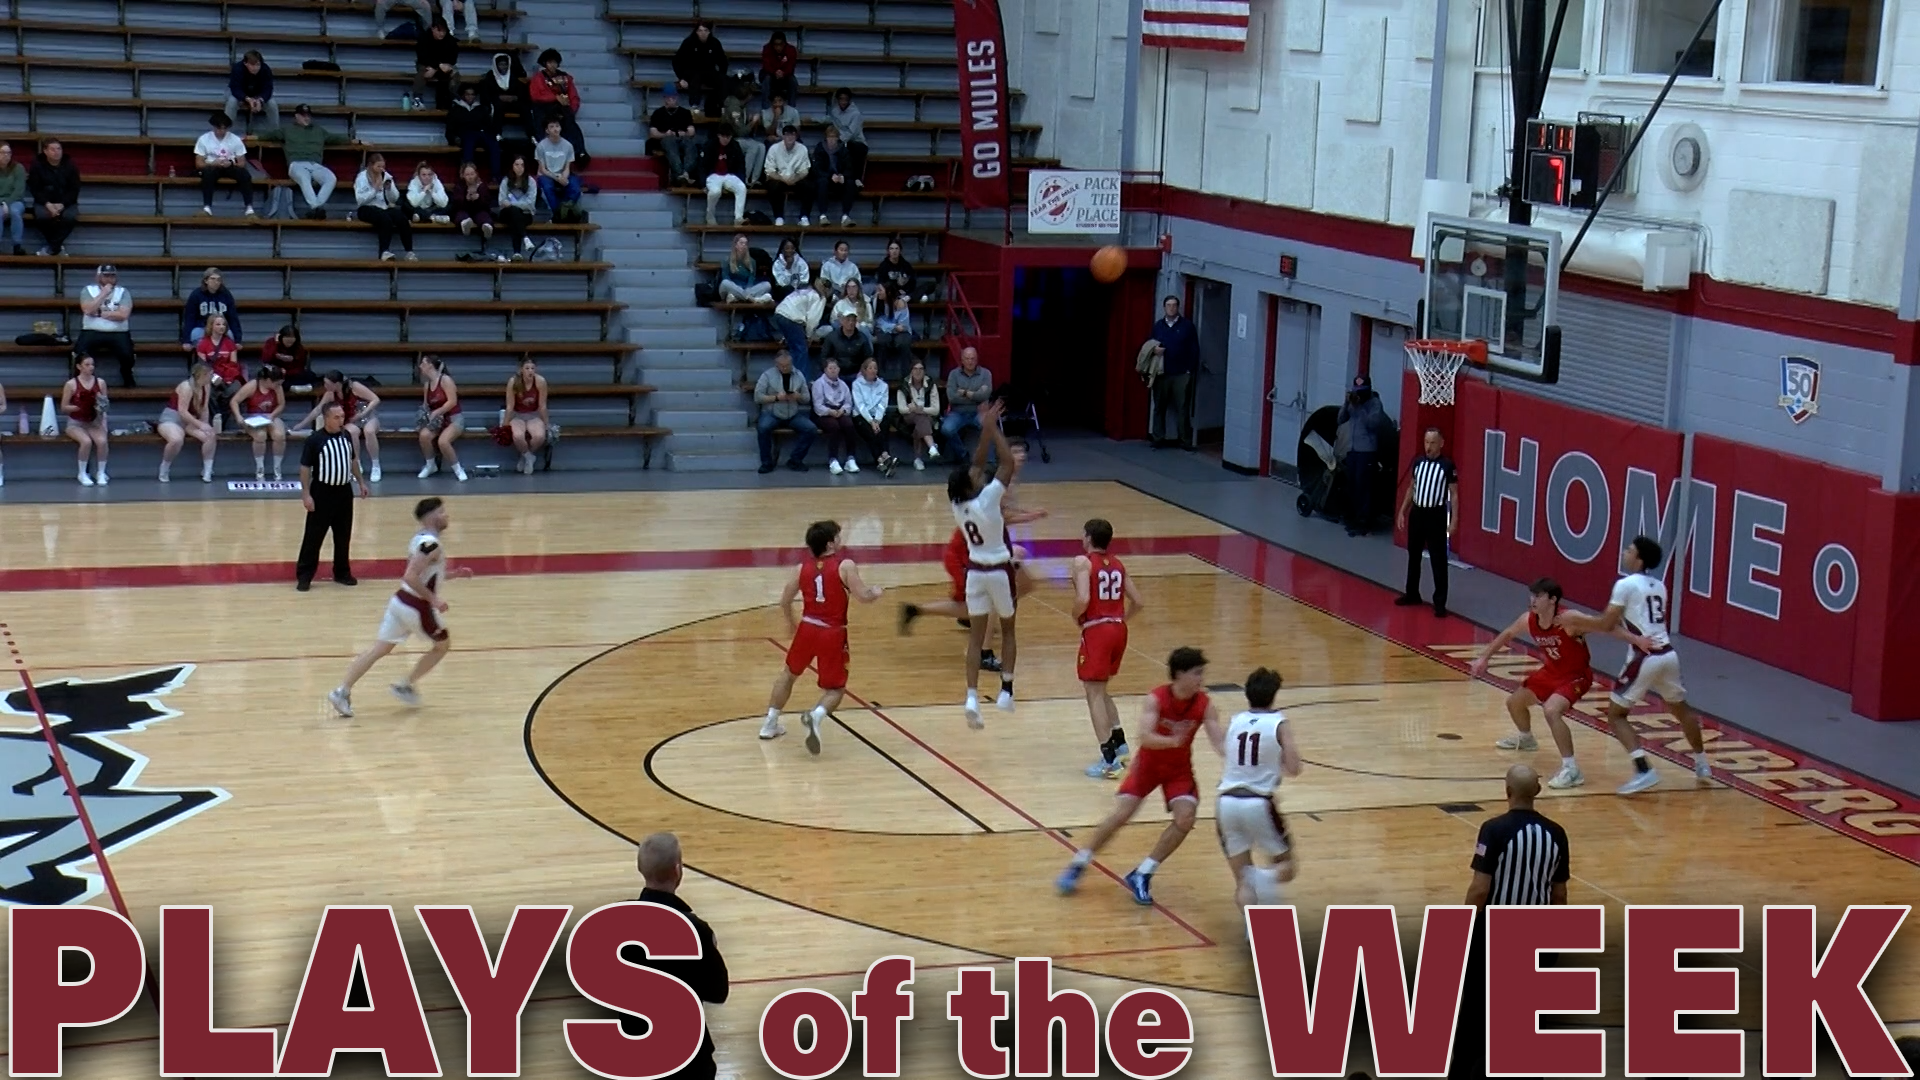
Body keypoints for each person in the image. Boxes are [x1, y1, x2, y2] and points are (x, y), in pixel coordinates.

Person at [1056, 647, 1223, 905]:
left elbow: (1218, 741)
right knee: (1121, 814)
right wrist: (1172, 740)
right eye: (1196, 673)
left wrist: (1237, 756)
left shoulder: (1204, 705)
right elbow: (1144, 737)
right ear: (1179, 675)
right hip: (1148, 766)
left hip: (1178, 771)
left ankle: (1143, 872)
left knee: (1186, 818)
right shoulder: (1156, 698)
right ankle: (1080, 861)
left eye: (1202, 673)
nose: (1201, 679)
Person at [1558, 536, 1711, 795]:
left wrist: (1577, 621)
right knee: (1681, 710)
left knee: (1616, 715)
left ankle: (1643, 769)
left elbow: (1607, 624)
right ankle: (1702, 763)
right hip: (1668, 655)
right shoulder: (1659, 585)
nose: (1624, 552)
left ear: (1638, 559)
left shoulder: (1625, 584)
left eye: (1629, 550)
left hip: (1645, 657)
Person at [327, 497, 470, 716]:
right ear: (431, 517)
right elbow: (411, 576)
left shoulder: (420, 539)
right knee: (442, 645)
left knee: (379, 649)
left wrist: (454, 574)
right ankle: (406, 685)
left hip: (399, 602)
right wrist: (434, 600)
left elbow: (424, 575)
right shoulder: (431, 545)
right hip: (416, 607)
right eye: (442, 512)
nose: (446, 515)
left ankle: (341, 691)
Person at [761, 520, 883, 753]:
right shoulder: (845, 566)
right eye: (838, 536)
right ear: (830, 543)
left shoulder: (801, 568)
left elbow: (785, 600)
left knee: (788, 675)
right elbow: (863, 596)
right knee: (835, 689)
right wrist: (875, 592)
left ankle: (769, 724)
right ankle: (815, 717)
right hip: (832, 632)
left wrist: (791, 624)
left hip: (807, 628)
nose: (841, 539)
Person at [619, 833, 729, 1080]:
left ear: (640, 868)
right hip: (687, 1063)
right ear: (678, 869)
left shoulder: (614, 925)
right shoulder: (695, 930)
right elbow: (718, 992)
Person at [1472, 578, 1592, 790]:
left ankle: (1571, 769)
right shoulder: (1529, 619)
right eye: (1532, 595)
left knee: (1551, 711)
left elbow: (1603, 626)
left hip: (1576, 675)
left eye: (1538, 596)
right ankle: (1527, 739)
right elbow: (1508, 633)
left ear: (1552, 600)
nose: (1533, 600)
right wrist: (1484, 657)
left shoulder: (1569, 620)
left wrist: (1633, 638)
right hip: (1551, 672)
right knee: (1514, 703)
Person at [949, 400, 1020, 727]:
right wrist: (992, 429)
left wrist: (983, 432)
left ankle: (972, 697)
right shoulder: (989, 499)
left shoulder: (957, 503)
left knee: (975, 639)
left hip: (974, 574)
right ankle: (1006, 688)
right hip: (999, 572)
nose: (978, 474)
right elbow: (1006, 463)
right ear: (973, 485)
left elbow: (976, 465)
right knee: (1007, 630)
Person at [1215, 667, 1299, 907]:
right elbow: (1294, 767)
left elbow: (1226, 752)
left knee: (1243, 881)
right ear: (1273, 695)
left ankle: (1253, 931)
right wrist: (1276, 761)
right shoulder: (1279, 723)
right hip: (1258, 802)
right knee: (1286, 865)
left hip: (1226, 802)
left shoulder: (1235, 721)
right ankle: (1262, 876)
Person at [1072, 518, 1144, 778]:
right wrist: (1121, 620)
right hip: (1118, 629)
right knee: (1101, 690)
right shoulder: (1118, 564)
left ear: (1089, 538)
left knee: (1093, 693)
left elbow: (1083, 599)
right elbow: (1138, 601)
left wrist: (1075, 615)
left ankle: (1109, 759)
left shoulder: (1083, 562)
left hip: (1098, 629)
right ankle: (1120, 744)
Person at [296, 401, 370, 592]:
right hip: (322, 492)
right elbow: (305, 468)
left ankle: (342, 572)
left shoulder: (346, 436)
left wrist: (361, 482)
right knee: (313, 537)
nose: (341, 421)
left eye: (342, 417)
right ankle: (304, 576)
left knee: (343, 536)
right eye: (336, 417)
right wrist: (306, 494)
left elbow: (353, 460)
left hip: (344, 492)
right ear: (326, 418)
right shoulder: (314, 440)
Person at [1395, 427, 1457, 617]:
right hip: (1418, 513)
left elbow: (1454, 495)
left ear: (1441, 444)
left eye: (1432, 442)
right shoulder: (1418, 462)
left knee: (1438, 560)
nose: (1428, 446)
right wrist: (1402, 511)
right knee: (1413, 555)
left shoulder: (1447, 465)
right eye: (1426, 442)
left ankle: (1440, 602)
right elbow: (1411, 488)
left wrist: (1454, 520)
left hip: (1436, 516)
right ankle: (1412, 593)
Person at [258, 104, 347, 219]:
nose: (306, 118)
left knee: (331, 178)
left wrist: (358, 141)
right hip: (296, 164)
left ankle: (315, 207)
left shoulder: (319, 130)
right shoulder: (287, 130)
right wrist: (249, 138)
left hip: (315, 164)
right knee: (304, 178)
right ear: (296, 116)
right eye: (303, 115)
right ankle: (316, 208)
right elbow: (268, 136)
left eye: (308, 115)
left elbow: (338, 139)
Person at [296, 370, 383, 483]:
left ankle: (376, 465)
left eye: (327, 383)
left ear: (336, 383)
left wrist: (362, 414)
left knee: (369, 431)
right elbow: (318, 410)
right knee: (351, 432)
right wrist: (301, 424)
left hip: (367, 415)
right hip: (351, 419)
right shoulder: (330, 393)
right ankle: (357, 464)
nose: (325, 386)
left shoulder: (354, 386)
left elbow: (375, 399)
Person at [1337, 375, 1391, 535]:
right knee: (1352, 485)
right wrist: (1347, 403)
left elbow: (1373, 424)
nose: (1358, 394)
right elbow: (1340, 419)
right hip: (1353, 450)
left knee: (1363, 487)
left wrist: (1360, 407)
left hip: (1367, 452)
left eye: (1361, 392)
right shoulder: (1353, 403)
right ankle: (1352, 518)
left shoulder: (1374, 404)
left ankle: (1364, 521)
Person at [753, 348, 815, 473]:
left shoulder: (799, 375)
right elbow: (758, 397)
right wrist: (775, 397)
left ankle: (795, 460)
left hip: (792, 413)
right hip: (772, 412)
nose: (785, 368)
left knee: (811, 429)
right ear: (776, 365)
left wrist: (799, 397)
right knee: (763, 428)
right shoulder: (767, 375)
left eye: (788, 365)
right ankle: (766, 462)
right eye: (782, 366)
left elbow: (807, 398)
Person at [1148, 296, 1197, 449]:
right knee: (1159, 407)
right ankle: (1157, 438)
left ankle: (1185, 440)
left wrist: (1190, 369)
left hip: (1181, 373)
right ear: (1164, 308)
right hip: (1162, 373)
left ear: (1178, 308)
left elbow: (1194, 348)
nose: (1171, 308)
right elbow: (1150, 345)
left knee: (1182, 407)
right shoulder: (1158, 326)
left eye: (1174, 305)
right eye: (1168, 305)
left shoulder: (1187, 326)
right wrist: (1154, 350)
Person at [76, 264, 136, 388]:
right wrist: (103, 294)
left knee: (127, 353)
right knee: (80, 352)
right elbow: (87, 310)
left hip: (118, 331)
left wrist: (99, 313)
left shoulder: (123, 292)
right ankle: (79, 380)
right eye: (106, 276)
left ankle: (126, 373)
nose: (109, 279)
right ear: (98, 277)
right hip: (91, 330)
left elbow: (123, 315)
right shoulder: (88, 290)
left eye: (112, 276)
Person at [157, 362, 217, 484]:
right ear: (203, 375)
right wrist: (200, 425)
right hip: (173, 418)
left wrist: (205, 424)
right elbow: (182, 412)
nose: (213, 376)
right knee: (176, 440)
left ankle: (207, 470)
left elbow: (204, 408)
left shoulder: (206, 386)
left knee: (210, 435)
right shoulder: (187, 387)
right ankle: (164, 468)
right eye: (210, 374)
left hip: (191, 419)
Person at [231, 365, 287, 481]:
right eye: (276, 383)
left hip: (270, 416)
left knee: (279, 435)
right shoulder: (252, 385)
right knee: (260, 436)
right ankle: (260, 468)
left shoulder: (277, 387)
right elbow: (234, 401)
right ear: (267, 380)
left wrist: (272, 415)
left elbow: (281, 404)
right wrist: (238, 416)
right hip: (253, 418)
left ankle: (277, 468)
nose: (278, 386)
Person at [354, 153, 415, 261]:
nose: (381, 169)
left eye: (383, 166)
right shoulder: (362, 178)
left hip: (383, 207)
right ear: (370, 165)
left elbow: (394, 198)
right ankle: (384, 252)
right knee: (384, 219)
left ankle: (409, 252)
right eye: (378, 166)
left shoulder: (386, 176)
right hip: (366, 208)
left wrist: (389, 188)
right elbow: (360, 200)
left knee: (401, 217)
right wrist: (375, 189)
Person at [416, 354, 466, 481]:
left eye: (423, 363)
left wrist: (437, 411)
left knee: (443, 441)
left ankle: (457, 468)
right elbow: (426, 404)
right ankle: (430, 465)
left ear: (430, 365)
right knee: (424, 435)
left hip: (453, 418)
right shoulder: (427, 385)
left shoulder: (445, 380)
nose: (420, 366)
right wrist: (422, 417)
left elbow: (452, 401)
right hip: (438, 421)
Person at [61, 354, 109, 486]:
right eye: (87, 365)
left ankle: (101, 472)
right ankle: (82, 473)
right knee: (86, 441)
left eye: (92, 364)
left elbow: (105, 405)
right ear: (79, 366)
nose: (91, 367)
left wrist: (102, 415)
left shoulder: (100, 383)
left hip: (94, 421)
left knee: (102, 441)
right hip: (76, 422)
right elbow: (64, 407)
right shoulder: (71, 384)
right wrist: (79, 407)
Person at [194, 112, 254, 217]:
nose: (222, 131)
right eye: (219, 128)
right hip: (212, 166)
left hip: (230, 166)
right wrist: (213, 163)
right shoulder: (204, 139)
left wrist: (230, 163)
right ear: (213, 127)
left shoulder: (235, 139)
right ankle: (207, 208)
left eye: (224, 129)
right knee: (208, 174)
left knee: (245, 175)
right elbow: (199, 163)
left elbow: (242, 163)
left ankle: (249, 208)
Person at [529, 49, 587, 156]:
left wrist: (571, 109)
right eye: (550, 62)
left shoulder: (566, 78)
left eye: (554, 62)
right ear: (545, 64)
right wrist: (555, 98)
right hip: (543, 107)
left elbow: (573, 96)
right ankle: (543, 150)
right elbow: (536, 95)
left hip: (562, 108)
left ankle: (579, 152)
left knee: (570, 122)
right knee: (540, 120)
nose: (552, 65)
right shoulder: (538, 78)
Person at [26, 139, 79, 256]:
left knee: (69, 217)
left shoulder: (71, 165)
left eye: (59, 149)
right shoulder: (37, 165)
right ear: (45, 151)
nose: (57, 152)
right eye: (53, 149)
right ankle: (57, 248)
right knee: (41, 216)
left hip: (66, 202)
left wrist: (62, 204)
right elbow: (35, 189)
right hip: (44, 202)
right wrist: (48, 204)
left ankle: (53, 248)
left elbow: (74, 189)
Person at [940, 346, 991, 457]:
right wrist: (976, 395)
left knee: (989, 425)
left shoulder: (986, 374)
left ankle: (989, 460)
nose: (970, 361)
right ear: (962, 360)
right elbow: (952, 397)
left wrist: (965, 393)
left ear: (977, 360)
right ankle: (963, 455)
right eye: (967, 358)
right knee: (946, 429)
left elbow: (985, 395)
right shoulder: (954, 374)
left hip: (978, 412)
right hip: (957, 412)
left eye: (973, 358)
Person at [673, 20, 728, 116]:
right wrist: (681, 78)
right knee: (696, 76)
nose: (703, 33)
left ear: (709, 31)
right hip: (691, 72)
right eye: (700, 30)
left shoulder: (715, 43)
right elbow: (677, 61)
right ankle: (694, 106)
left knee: (723, 79)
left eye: (705, 30)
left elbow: (723, 61)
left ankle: (723, 107)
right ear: (696, 31)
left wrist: (722, 73)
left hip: (709, 72)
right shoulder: (689, 42)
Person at [810, 358, 855, 474]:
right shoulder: (818, 384)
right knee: (834, 426)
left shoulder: (843, 385)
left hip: (839, 411)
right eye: (830, 368)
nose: (833, 371)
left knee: (849, 425)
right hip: (823, 414)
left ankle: (850, 458)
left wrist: (843, 410)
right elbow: (818, 406)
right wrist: (830, 412)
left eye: (835, 368)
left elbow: (848, 403)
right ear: (825, 370)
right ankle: (833, 460)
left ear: (839, 370)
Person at [647, 86, 699, 188]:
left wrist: (684, 133)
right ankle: (680, 174)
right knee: (670, 145)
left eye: (673, 97)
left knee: (690, 145)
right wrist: (665, 134)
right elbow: (653, 133)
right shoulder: (658, 113)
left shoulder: (685, 112)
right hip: (666, 138)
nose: (671, 100)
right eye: (668, 97)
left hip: (682, 137)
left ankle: (685, 173)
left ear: (677, 98)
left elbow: (692, 131)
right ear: (664, 98)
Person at [849, 357, 893, 476]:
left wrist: (877, 420)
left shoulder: (883, 385)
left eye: (875, 368)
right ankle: (883, 457)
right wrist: (871, 421)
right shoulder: (857, 384)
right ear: (864, 370)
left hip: (878, 416)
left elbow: (882, 404)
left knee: (884, 424)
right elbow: (860, 405)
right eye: (870, 368)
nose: (873, 370)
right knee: (871, 432)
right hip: (861, 415)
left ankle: (883, 458)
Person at [893, 359, 939, 469]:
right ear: (911, 371)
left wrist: (920, 409)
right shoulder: (903, 384)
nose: (918, 371)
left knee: (920, 420)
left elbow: (936, 409)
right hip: (907, 417)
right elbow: (902, 409)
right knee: (920, 418)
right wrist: (913, 410)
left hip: (927, 417)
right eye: (915, 369)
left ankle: (918, 458)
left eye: (921, 369)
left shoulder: (931, 384)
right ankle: (932, 446)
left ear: (925, 371)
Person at [180, 267, 241, 349]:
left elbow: (232, 317)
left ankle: (221, 360)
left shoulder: (226, 295)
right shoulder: (196, 295)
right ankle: (205, 360)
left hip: (221, 329)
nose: (216, 282)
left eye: (218, 279)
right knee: (195, 334)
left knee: (230, 335)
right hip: (202, 328)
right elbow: (189, 318)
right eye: (212, 279)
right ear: (206, 280)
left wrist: (237, 340)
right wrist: (186, 340)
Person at [505, 357, 547, 474]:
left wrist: (547, 424)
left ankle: (525, 456)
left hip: (534, 414)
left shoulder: (540, 381)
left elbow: (542, 406)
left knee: (539, 436)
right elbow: (510, 406)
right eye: (527, 368)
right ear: (521, 370)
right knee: (518, 436)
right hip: (517, 415)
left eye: (533, 368)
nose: (530, 371)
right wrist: (504, 425)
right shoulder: (513, 382)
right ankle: (529, 457)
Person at [699, 126, 746, 226]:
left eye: (728, 137)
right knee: (715, 192)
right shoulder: (710, 145)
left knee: (742, 188)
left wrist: (742, 179)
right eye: (723, 137)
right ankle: (710, 215)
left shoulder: (735, 145)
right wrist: (703, 183)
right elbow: (702, 165)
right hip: (713, 175)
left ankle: (738, 218)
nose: (726, 139)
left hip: (729, 174)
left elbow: (741, 164)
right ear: (719, 136)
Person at [224, 50, 279, 133]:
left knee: (272, 104)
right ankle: (225, 131)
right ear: (245, 64)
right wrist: (247, 99)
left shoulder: (265, 69)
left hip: (258, 95)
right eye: (252, 65)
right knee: (231, 102)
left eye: (258, 65)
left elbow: (268, 88)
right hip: (240, 96)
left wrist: (260, 100)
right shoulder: (237, 69)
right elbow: (235, 88)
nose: (255, 68)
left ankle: (275, 132)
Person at [411, 18, 459, 112]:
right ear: (433, 29)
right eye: (439, 31)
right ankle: (417, 99)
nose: (442, 34)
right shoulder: (424, 38)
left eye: (444, 31)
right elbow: (422, 57)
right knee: (423, 72)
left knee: (454, 73)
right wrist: (437, 66)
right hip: (427, 64)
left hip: (443, 66)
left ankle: (452, 98)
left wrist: (438, 67)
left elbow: (453, 58)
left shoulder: (450, 40)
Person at [534, 118, 581, 213]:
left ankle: (566, 209)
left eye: (557, 126)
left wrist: (564, 177)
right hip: (547, 174)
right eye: (552, 127)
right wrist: (557, 178)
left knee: (575, 187)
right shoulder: (541, 146)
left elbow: (567, 167)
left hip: (562, 173)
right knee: (548, 187)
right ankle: (557, 213)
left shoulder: (568, 145)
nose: (555, 129)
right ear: (547, 130)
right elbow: (542, 169)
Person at [0, 143, 27, 256]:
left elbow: (19, 190)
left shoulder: (18, 168)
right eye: (3, 153)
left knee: (15, 212)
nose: (6, 155)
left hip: (16, 200)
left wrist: (7, 203)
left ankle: (17, 245)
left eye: (8, 153)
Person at [759, 30, 798, 108]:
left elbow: (791, 66)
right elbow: (766, 65)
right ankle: (765, 109)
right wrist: (774, 72)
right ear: (772, 44)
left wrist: (783, 73)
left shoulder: (791, 50)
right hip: (770, 74)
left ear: (784, 44)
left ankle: (792, 109)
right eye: (776, 45)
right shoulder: (767, 48)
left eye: (780, 45)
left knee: (793, 81)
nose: (778, 47)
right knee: (766, 79)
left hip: (785, 76)